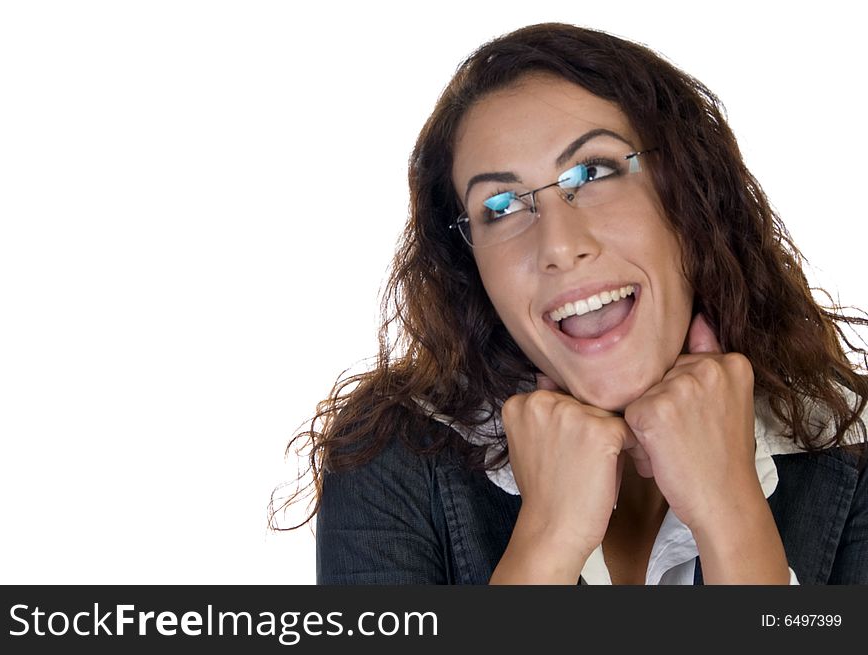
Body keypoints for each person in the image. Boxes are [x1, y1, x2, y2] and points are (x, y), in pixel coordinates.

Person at [274, 22, 868, 584]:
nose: (557, 245)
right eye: (501, 206)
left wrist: (732, 513)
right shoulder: (389, 460)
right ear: (471, 266)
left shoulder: (851, 444)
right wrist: (549, 538)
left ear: (690, 197)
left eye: (594, 171)